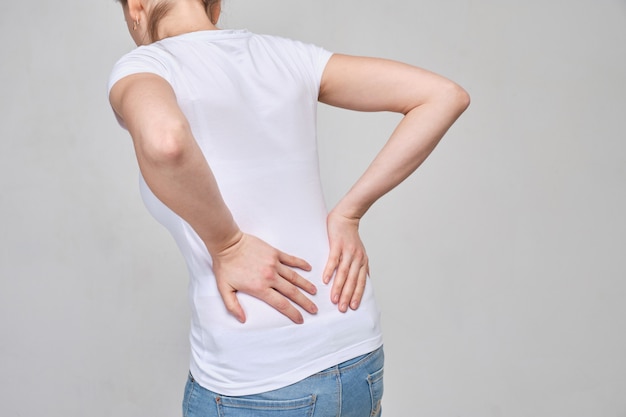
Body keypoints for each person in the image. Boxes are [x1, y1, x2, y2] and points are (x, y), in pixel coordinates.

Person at [108, 0, 469, 415]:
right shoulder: (290, 56)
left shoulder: (147, 67)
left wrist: (228, 245)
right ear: (217, 5)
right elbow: (443, 96)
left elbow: (164, 139)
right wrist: (349, 212)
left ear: (135, 6)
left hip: (257, 377)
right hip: (356, 349)